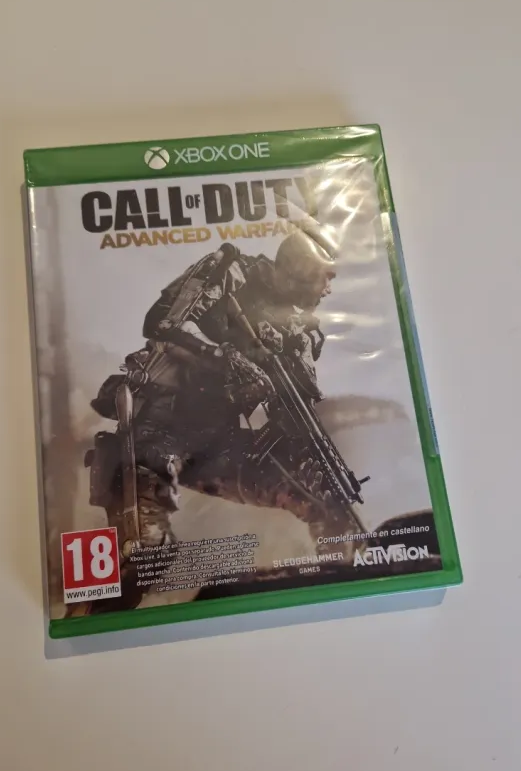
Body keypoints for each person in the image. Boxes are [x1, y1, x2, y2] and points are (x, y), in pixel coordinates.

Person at [86, 225, 364, 585]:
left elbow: (292, 411)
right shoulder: (230, 272)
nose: (328, 289)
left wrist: (305, 460)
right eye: (325, 277)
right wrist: (222, 355)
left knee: (330, 501)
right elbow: (163, 323)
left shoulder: (301, 333)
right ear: (301, 270)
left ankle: (345, 583)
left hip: (219, 446)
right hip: (159, 435)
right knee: (146, 552)